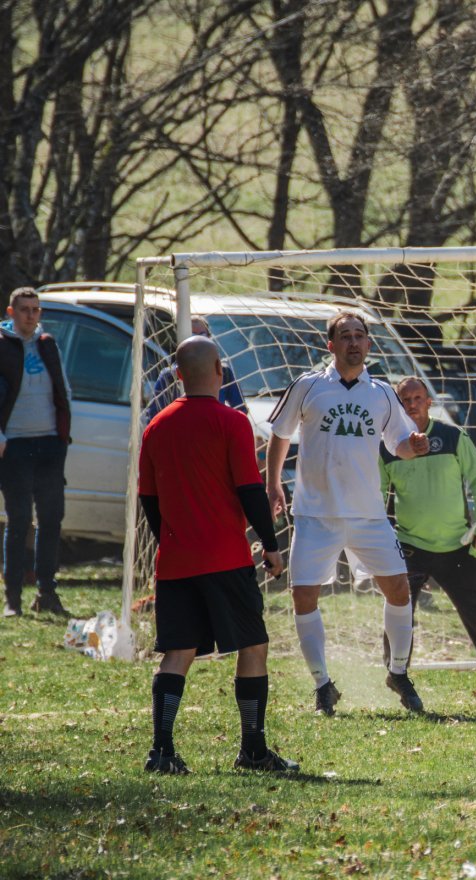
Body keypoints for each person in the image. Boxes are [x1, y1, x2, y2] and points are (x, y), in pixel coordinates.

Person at [137, 335, 296, 774]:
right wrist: (272, 544)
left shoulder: (156, 426)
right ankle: (253, 751)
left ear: (179, 375)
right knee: (254, 645)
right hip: (225, 557)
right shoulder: (233, 423)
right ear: (221, 371)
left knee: (178, 652)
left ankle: (161, 752)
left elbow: (149, 500)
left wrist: (172, 538)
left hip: (176, 561)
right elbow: (249, 489)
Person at [266, 310, 430, 715]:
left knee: (399, 590)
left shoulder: (381, 393)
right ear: (331, 345)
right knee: (303, 596)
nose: (354, 342)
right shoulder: (308, 387)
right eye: (345, 336)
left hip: (367, 516)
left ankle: (397, 672)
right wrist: (272, 485)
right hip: (315, 515)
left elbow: (400, 445)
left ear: (368, 344)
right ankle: (323, 684)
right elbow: (280, 434)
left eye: (360, 336)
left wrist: (415, 446)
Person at [380, 377, 476, 672]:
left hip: (458, 544)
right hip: (409, 546)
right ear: (397, 405)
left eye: (417, 398)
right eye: (405, 400)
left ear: (429, 402)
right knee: (398, 612)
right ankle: (395, 672)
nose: (412, 405)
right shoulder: (388, 446)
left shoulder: (453, 437)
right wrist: (380, 535)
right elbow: (376, 495)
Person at [0, 288, 72, 617]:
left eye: (36, 309)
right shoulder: (3, 345)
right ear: (11, 312)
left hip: (49, 443)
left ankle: (47, 591)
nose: (31, 315)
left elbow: (62, 387)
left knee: (51, 518)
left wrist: (63, 432)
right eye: (25, 309)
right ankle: (12, 597)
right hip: (14, 444)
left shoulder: (48, 344)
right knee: (17, 521)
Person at [143, 316, 247, 423]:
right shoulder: (169, 376)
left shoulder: (223, 372)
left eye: (202, 335)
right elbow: (153, 416)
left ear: (209, 337)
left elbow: (240, 410)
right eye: (192, 335)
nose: (198, 339)